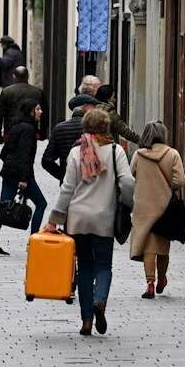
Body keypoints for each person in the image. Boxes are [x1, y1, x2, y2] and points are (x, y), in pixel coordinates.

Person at [47, 108, 134, 336]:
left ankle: (86, 321)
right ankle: (100, 300)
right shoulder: (116, 152)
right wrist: (128, 204)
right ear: (107, 127)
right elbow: (127, 184)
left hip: (77, 219)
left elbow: (67, 189)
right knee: (104, 266)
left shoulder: (77, 152)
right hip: (104, 218)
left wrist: (54, 219)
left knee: (84, 267)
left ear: (84, 128)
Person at [129, 120, 185, 298]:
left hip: (144, 206)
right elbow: (181, 181)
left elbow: (131, 173)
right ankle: (162, 278)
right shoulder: (173, 154)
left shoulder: (139, 155)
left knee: (148, 247)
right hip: (165, 207)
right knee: (162, 246)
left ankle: (150, 282)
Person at [0, 101, 45, 255]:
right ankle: (33, 242)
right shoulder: (28, 129)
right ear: (31, 111)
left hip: (9, 173)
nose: (41, 112)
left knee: (3, 207)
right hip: (21, 174)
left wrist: (10, 165)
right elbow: (24, 155)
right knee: (41, 203)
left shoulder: (17, 126)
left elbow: (4, 153)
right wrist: (24, 178)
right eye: (38, 109)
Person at [39, 91, 101, 183]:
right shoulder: (95, 128)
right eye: (94, 107)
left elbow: (47, 161)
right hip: (92, 182)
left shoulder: (59, 128)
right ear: (85, 107)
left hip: (68, 182)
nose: (96, 110)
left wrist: (63, 175)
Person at [0, 64, 45, 144]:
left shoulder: (7, 92)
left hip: (10, 131)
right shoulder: (37, 92)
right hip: (31, 131)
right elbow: (44, 113)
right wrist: (42, 133)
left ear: (14, 76)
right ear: (28, 76)